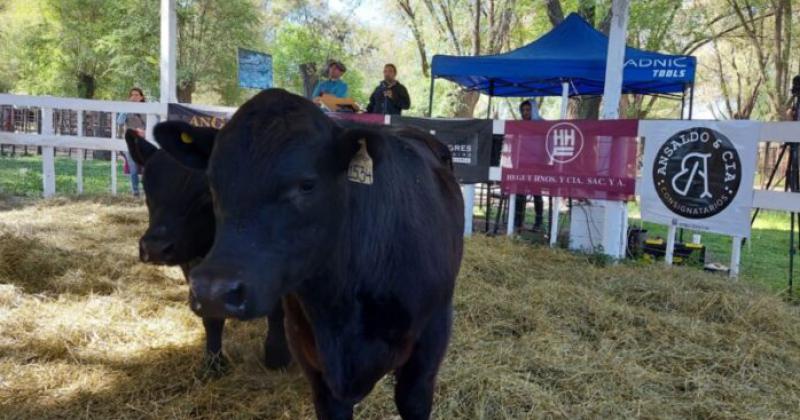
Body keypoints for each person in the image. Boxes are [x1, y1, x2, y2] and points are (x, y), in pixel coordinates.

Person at [515, 100, 545, 231]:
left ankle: (538, 223)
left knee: (537, 194)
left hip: (537, 165)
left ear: (534, 110)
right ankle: (518, 222)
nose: (525, 112)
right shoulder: (519, 126)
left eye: (528, 110)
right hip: (521, 164)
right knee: (519, 193)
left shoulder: (542, 124)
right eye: (523, 110)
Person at [116, 87, 147, 197]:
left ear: (141, 97)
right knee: (133, 169)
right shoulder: (126, 109)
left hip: (144, 143)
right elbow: (119, 122)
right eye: (132, 95)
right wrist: (125, 109)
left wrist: (145, 132)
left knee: (145, 169)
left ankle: (147, 191)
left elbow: (151, 124)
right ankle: (135, 192)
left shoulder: (148, 109)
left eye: (137, 95)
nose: (134, 97)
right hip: (131, 142)